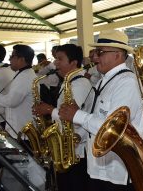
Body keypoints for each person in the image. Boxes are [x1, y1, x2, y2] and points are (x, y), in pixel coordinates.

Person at [59, 29, 143, 191]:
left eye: (101, 52)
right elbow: (94, 116)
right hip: (98, 167)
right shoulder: (104, 81)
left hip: (117, 170)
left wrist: (77, 115)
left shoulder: (127, 82)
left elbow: (113, 127)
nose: (95, 57)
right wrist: (79, 128)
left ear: (117, 55)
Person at [33, 44, 92, 191]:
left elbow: (74, 118)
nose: (56, 63)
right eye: (55, 59)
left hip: (75, 151)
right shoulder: (69, 81)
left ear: (74, 63)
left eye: (60, 59)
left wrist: (49, 110)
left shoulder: (80, 84)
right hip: (68, 147)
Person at [0, 44, 36, 139]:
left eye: (12, 56)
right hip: (17, 128)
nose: (9, 59)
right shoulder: (21, 73)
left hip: (22, 131)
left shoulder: (25, 77)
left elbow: (10, 101)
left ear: (21, 59)